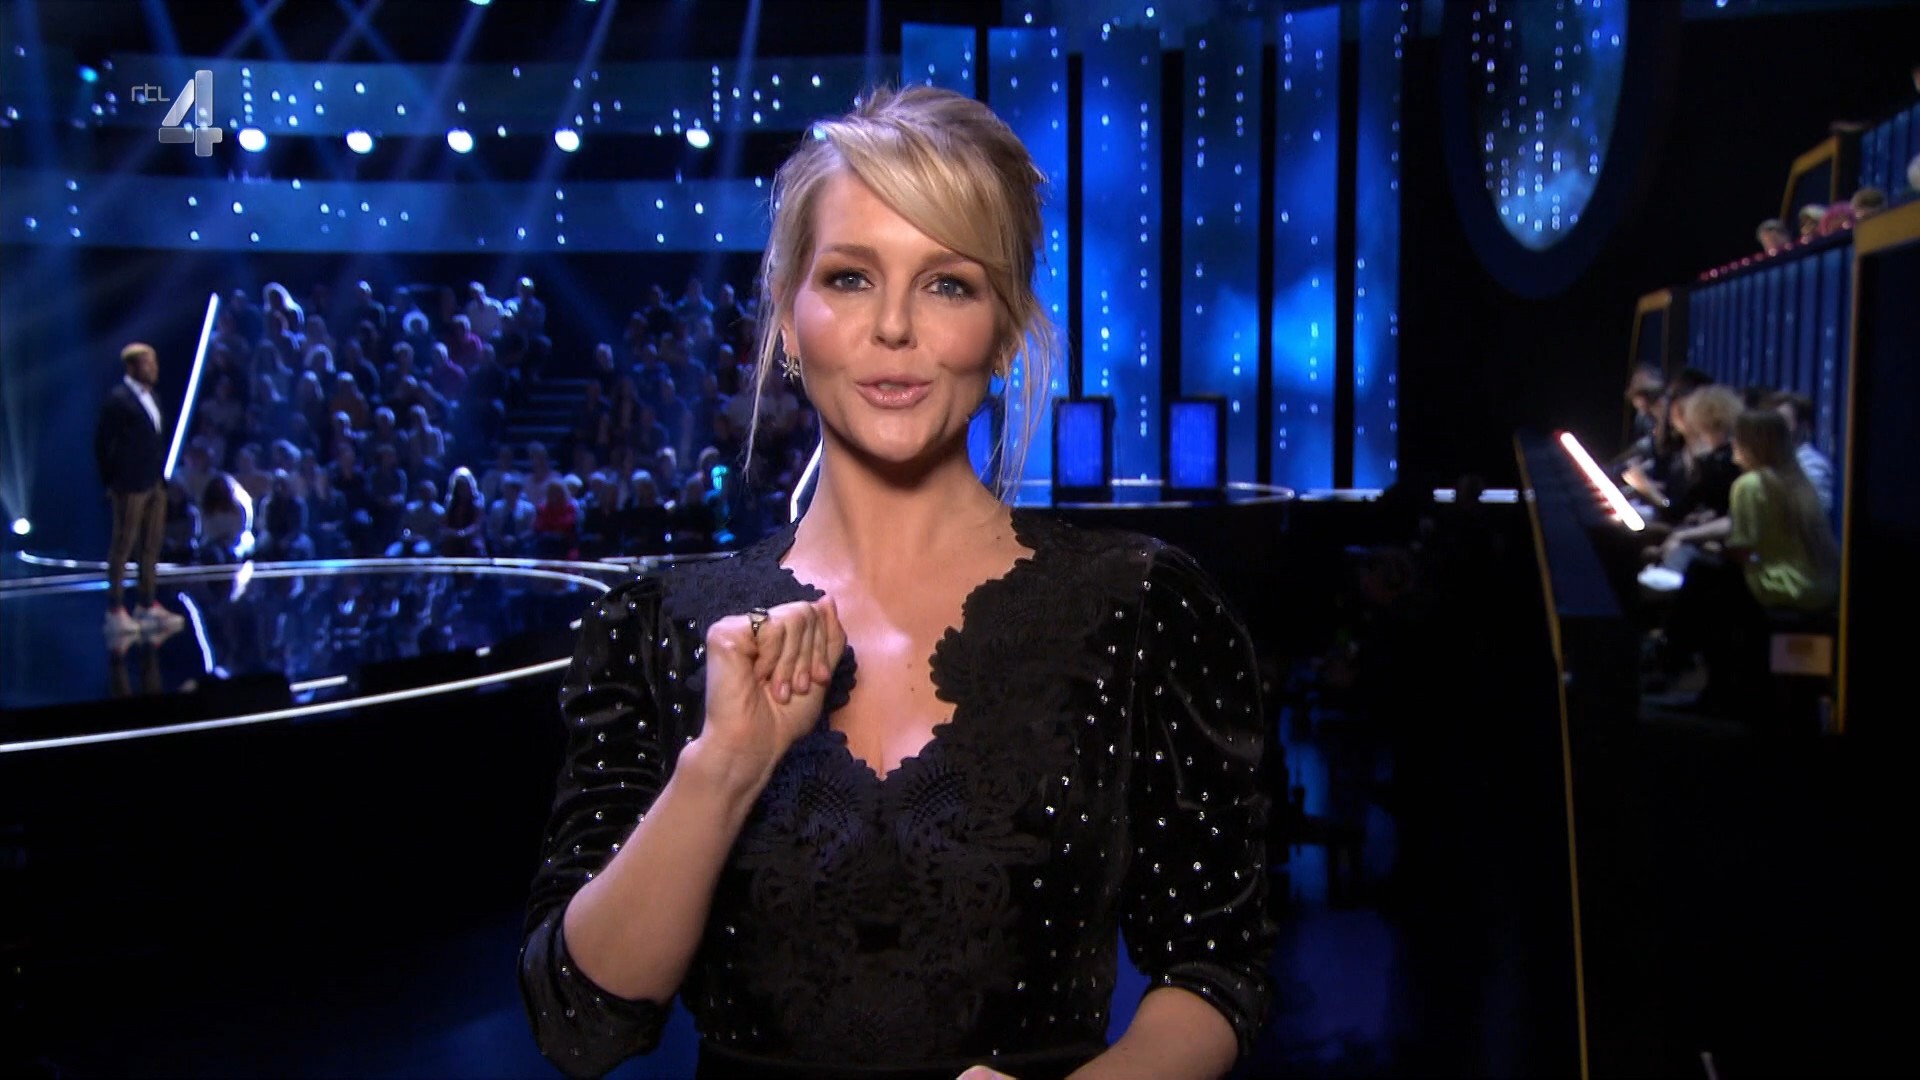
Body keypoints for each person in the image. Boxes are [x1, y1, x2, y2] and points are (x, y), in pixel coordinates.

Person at [520, 86, 1276, 1080]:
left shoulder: (1139, 609)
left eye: (948, 285)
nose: (893, 327)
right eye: (849, 277)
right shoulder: (659, 627)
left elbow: (1219, 968)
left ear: (1004, 330)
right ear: (789, 319)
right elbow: (582, 1021)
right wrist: (724, 768)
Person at [94, 342, 186, 637]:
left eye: (155, 362)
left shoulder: (153, 398)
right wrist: (111, 482)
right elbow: (103, 444)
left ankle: (147, 604)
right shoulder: (118, 399)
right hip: (129, 485)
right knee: (123, 546)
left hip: (154, 483)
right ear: (132, 366)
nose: (154, 368)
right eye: (148, 363)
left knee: (150, 546)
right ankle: (115, 609)